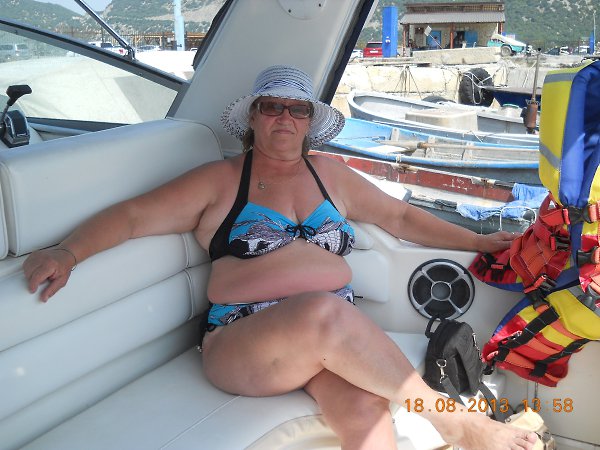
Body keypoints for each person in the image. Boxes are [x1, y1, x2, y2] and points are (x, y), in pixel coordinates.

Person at [23, 65, 537, 450]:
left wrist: (477, 242)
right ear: (254, 116)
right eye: (272, 107)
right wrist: (69, 251)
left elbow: (399, 218)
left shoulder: (330, 175)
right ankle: (454, 421)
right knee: (322, 312)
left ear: (311, 121)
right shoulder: (221, 182)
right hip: (243, 345)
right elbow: (135, 216)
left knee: (366, 410)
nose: (285, 117)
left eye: (298, 109)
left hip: (324, 343)